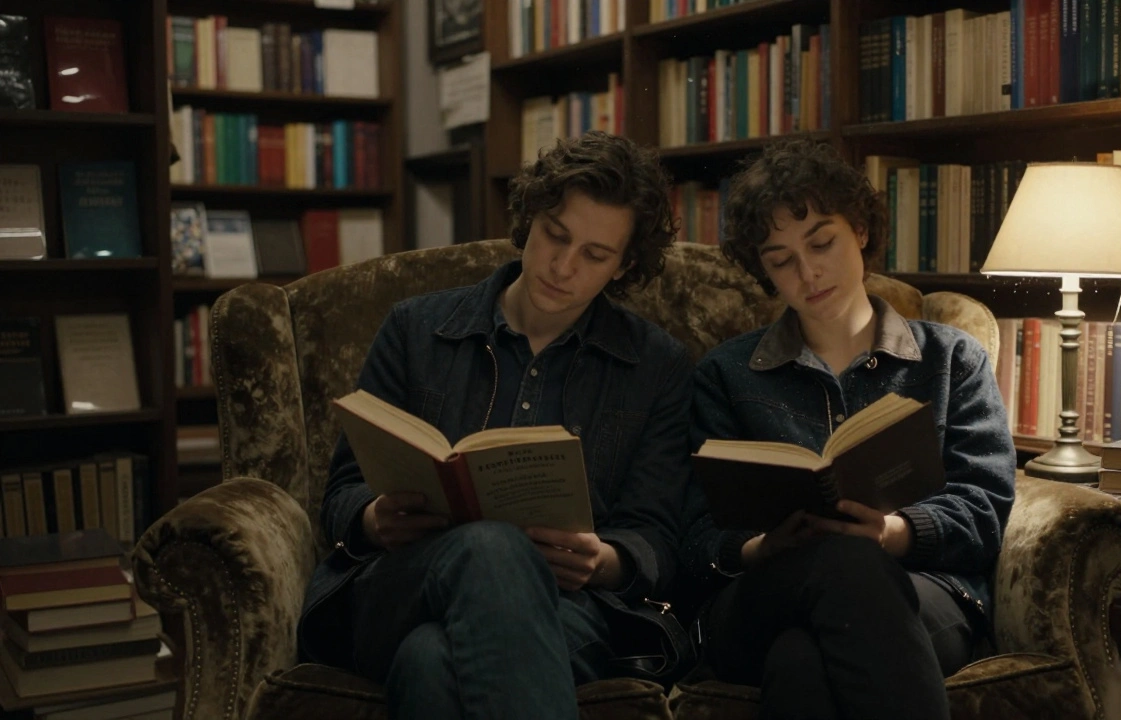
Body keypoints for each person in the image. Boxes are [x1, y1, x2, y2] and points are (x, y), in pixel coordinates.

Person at [297, 130, 693, 719]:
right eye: (555, 236)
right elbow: (342, 493)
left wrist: (604, 558)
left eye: (594, 254)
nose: (563, 266)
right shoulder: (415, 329)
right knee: (489, 546)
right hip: (401, 586)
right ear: (530, 219)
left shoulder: (656, 365)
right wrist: (376, 517)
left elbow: (659, 533)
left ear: (624, 266)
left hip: (569, 608)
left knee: (430, 661)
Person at [679, 138, 1017, 720]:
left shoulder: (949, 359)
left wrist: (891, 533)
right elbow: (693, 532)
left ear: (859, 229)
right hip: (761, 597)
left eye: (822, 242)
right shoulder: (725, 376)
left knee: (801, 661)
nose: (808, 272)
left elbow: (986, 505)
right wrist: (763, 546)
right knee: (840, 563)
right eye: (781, 260)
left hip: (922, 592)